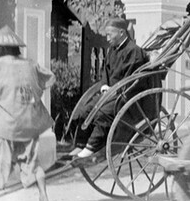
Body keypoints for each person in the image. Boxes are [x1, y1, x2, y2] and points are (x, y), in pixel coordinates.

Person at [0, 25, 55, 201]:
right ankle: (43, 196)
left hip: (7, 125)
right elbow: (49, 78)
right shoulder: (31, 64)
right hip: (29, 122)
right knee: (32, 161)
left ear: (2, 49)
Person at [61, 17, 150, 161]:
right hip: (110, 93)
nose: (107, 38)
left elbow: (133, 79)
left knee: (102, 113)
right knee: (85, 110)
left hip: (126, 95)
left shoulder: (134, 51)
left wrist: (116, 90)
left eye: (110, 34)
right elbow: (105, 72)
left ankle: (92, 147)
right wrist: (104, 85)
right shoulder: (112, 50)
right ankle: (81, 145)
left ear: (121, 32)